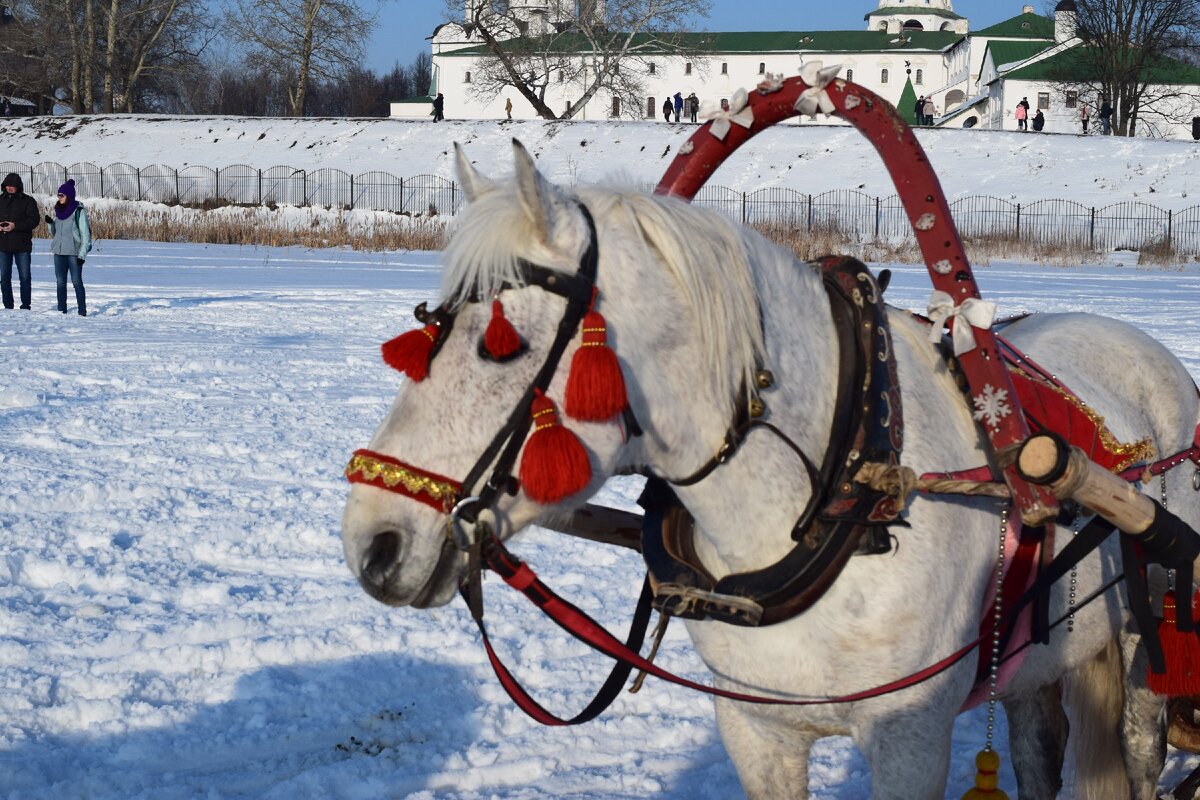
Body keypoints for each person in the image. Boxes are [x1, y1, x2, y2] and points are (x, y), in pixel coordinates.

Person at [45, 179, 91, 316]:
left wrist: (82, 255)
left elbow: (85, 235)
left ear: (69, 196)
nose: (59, 198)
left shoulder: (78, 211)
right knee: (60, 283)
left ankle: (82, 311)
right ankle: (61, 311)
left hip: (73, 253)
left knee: (77, 282)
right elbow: (55, 234)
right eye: (58, 195)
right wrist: (50, 224)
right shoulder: (58, 211)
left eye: (62, 195)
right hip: (59, 253)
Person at [0, 172, 39, 310]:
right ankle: (8, 306)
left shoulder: (28, 201)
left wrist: (15, 226)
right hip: (3, 245)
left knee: (25, 278)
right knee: (4, 278)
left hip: (22, 245)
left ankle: (25, 305)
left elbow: (34, 220)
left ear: (18, 186)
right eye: (7, 185)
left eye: (12, 186)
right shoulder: (1, 199)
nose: (9, 188)